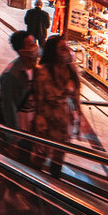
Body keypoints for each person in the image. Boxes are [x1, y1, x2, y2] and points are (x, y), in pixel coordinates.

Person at [33, 35, 81, 176]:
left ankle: (55, 183)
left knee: (59, 156)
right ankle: (33, 182)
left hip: (65, 122)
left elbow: (76, 98)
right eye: (63, 48)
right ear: (53, 52)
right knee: (42, 155)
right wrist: (40, 125)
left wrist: (79, 119)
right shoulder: (42, 72)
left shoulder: (71, 71)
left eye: (67, 47)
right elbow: (39, 102)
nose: (67, 51)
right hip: (48, 122)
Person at [0, 31, 40, 154]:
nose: (35, 47)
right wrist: (14, 137)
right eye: (31, 45)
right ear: (22, 51)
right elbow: (9, 108)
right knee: (23, 155)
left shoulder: (35, 66)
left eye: (34, 42)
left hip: (33, 121)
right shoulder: (11, 75)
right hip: (22, 124)